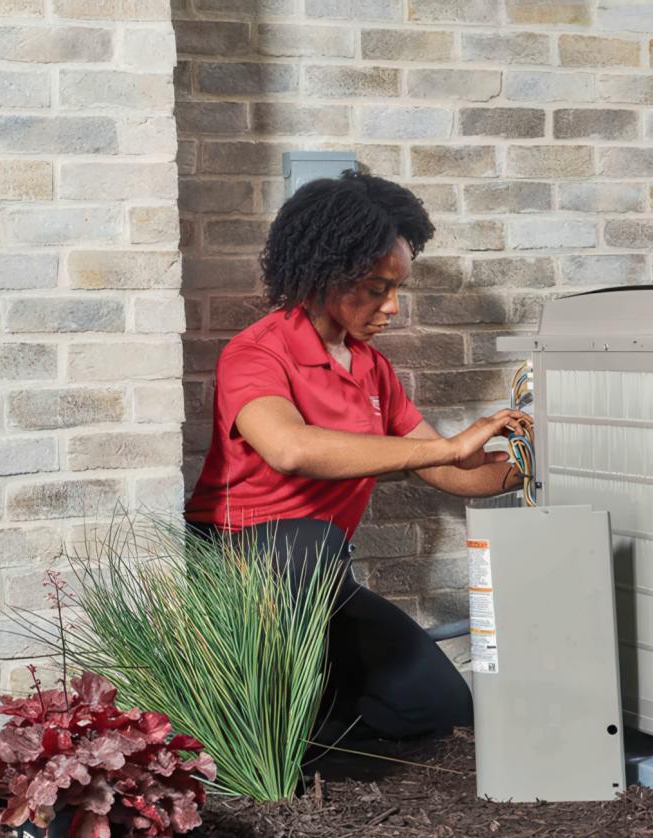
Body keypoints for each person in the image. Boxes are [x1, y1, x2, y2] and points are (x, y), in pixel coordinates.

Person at [185, 171, 531, 742]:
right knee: (310, 539)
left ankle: (322, 731)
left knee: (440, 706)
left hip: (315, 573)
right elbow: (290, 448)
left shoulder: (371, 367)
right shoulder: (256, 353)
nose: (392, 307)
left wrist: (534, 461)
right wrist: (447, 443)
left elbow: (447, 468)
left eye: (397, 289)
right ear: (326, 275)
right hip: (241, 565)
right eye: (376, 288)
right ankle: (266, 733)